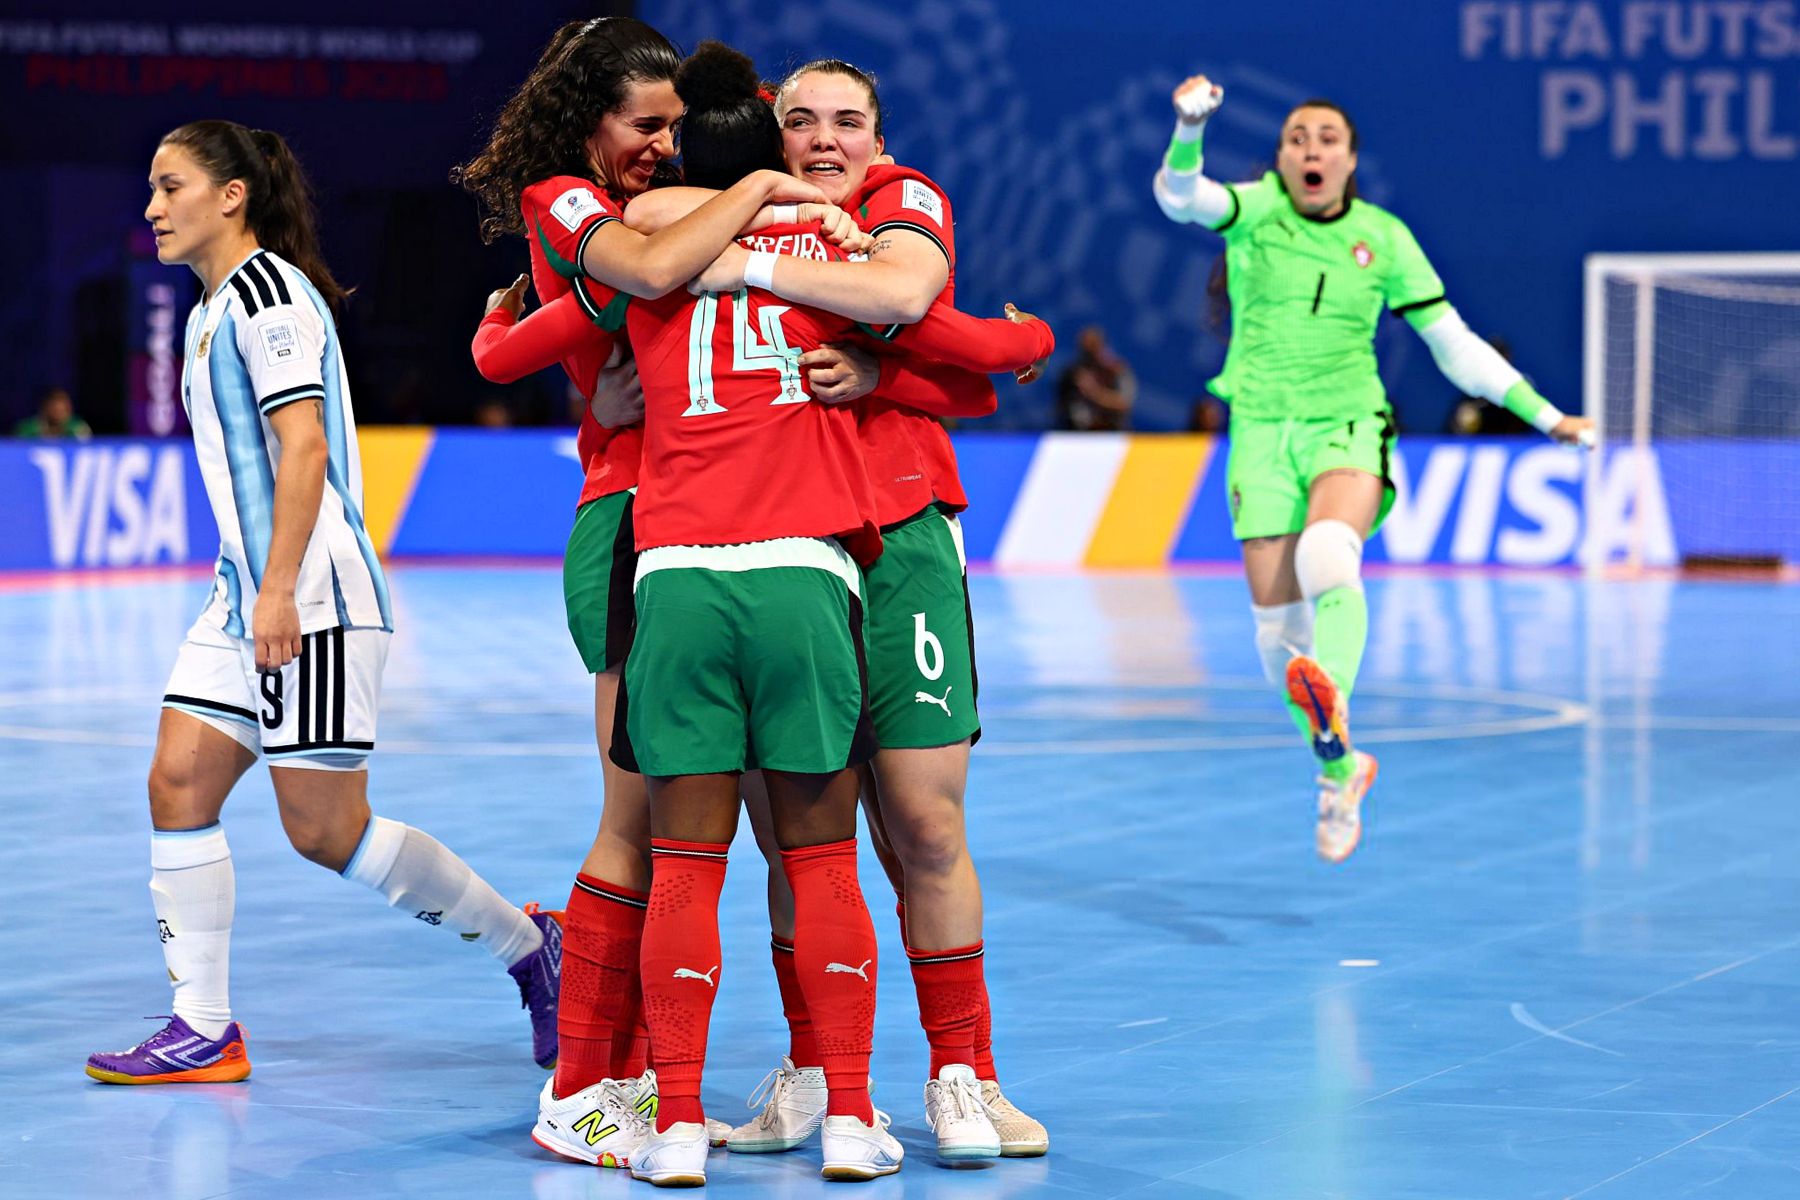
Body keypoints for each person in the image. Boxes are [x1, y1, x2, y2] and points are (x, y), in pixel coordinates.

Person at [85, 120, 563, 1086]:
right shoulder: (210, 308)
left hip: (311, 601)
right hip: (244, 598)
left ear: (232, 196)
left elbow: (303, 449)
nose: (152, 207)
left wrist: (278, 594)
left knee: (326, 832)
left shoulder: (268, 296)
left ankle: (530, 946)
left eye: (171, 186)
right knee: (177, 784)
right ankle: (204, 1028)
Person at [453, 17, 832, 1166]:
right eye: (645, 125)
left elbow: (556, 329)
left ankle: (647, 1076)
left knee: (713, 832)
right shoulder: (567, 200)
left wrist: (506, 337)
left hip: (708, 528)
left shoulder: (669, 205)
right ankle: (580, 1090)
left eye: (678, 127)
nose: (665, 146)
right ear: (590, 123)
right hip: (632, 526)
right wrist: (760, 187)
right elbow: (641, 280)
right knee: (639, 821)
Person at [675, 57, 1050, 1162]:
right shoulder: (726, 216)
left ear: (879, 140)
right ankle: (816, 1073)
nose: (826, 139)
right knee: (801, 838)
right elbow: (979, 361)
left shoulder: (899, 199)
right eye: (801, 121)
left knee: (925, 825)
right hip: (778, 550)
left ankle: (965, 1076)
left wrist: (888, 371)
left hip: (903, 542)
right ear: (771, 137)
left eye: (848, 121)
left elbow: (911, 302)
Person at [1154, 75, 1593, 861]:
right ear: (1281, 159)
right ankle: (1341, 769)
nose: (1311, 149)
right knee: (1277, 636)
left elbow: (1455, 346)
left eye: (1327, 139)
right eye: (1296, 138)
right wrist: (1189, 129)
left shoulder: (1384, 239)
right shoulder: (1255, 212)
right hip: (1261, 431)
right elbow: (1181, 197)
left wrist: (1546, 416)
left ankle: (1335, 696)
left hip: (1348, 421)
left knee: (1329, 552)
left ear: (1350, 160)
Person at [1054, 326, 1135, 431]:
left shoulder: (1117, 371)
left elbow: (1124, 404)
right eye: (1086, 352)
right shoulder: (1071, 374)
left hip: (1114, 433)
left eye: (1094, 349)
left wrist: (1094, 393)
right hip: (1079, 434)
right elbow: (1061, 408)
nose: (1090, 356)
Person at [15, 385, 93, 439]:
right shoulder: (28, 430)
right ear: (45, 408)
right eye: (55, 410)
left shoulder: (77, 429)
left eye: (63, 410)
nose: (59, 414)